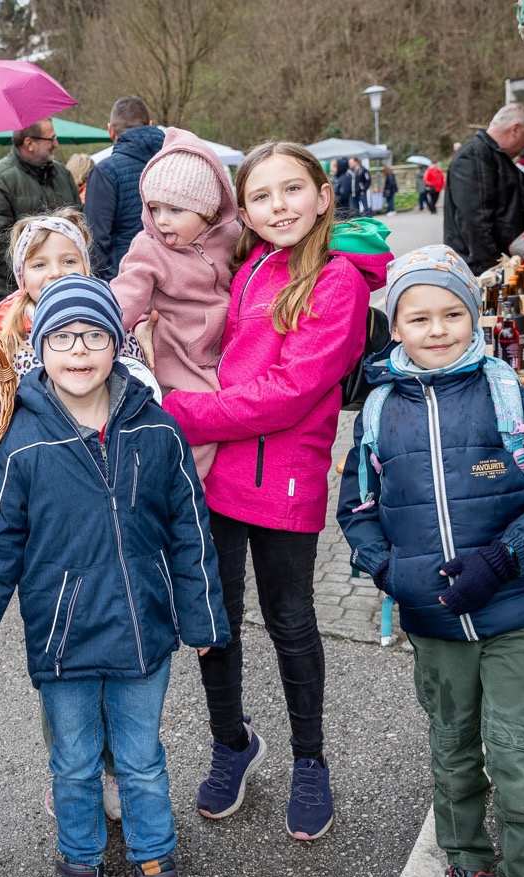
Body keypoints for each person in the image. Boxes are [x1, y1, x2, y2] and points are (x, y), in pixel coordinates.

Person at [0, 276, 229, 877]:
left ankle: (154, 852)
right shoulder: (19, 444)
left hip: (145, 632)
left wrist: (201, 617)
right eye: (62, 337)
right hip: (63, 637)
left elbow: (191, 532)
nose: (79, 350)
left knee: (142, 758)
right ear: (40, 348)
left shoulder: (157, 429)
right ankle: (81, 859)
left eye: (94, 335)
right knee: (73, 760)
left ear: (116, 344)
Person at [338, 245, 524, 877]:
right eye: (418, 318)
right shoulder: (377, 413)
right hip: (436, 624)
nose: (437, 330)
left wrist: (506, 558)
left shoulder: (513, 400)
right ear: (394, 327)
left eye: (452, 314)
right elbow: (357, 508)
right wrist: (386, 571)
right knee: (452, 754)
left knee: (519, 761)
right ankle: (466, 861)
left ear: (474, 316)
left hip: (517, 618)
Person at [161, 141, 391, 839]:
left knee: (291, 623)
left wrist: (179, 409)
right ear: (246, 210)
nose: (278, 206)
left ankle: (310, 760)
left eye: (292, 189)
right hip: (216, 472)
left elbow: (288, 394)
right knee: (215, 620)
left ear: (324, 194)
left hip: (284, 478)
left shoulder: (338, 281)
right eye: (262, 196)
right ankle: (232, 741)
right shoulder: (251, 261)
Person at [110, 127, 241, 478]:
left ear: (209, 212)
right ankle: (184, 494)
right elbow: (126, 294)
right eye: (154, 208)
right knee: (196, 431)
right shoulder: (149, 248)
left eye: (175, 209)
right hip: (175, 353)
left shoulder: (230, 238)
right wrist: (99, 330)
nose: (162, 219)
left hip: (218, 352)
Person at [0, 208, 150, 385]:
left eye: (69, 261)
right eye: (39, 265)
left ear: (85, 269)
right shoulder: (7, 332)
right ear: (22, 277)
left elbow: (135, 377)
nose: (56, 273)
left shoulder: (107, 317)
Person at [0, 118, 81, 303]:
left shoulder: (62, 174)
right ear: (29, 143)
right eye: (51, 139)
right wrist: (32, 273)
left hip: (66, 286)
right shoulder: (0, 177)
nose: (56, 144)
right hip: (15, 293)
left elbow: (79, 225)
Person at [444, 103, 524, 274]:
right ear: (515, 129)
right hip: (486, 271)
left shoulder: (493, 157)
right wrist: (495, 267)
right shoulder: (474, 157)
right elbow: (475, 222)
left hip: (504, 265)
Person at [84, 97, 166, 280]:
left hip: (123, 278)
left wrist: (103, 286)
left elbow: (95, 239)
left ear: (110, 130)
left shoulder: (105, 172)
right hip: (169, 276)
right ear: (150, 124)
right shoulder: (173, 164)